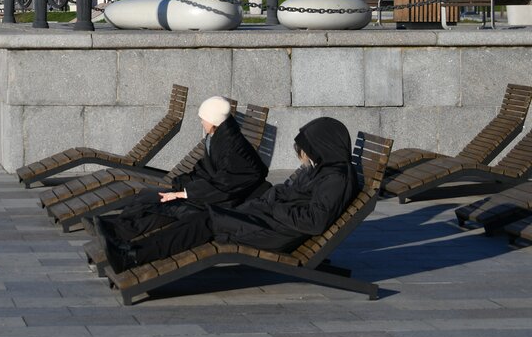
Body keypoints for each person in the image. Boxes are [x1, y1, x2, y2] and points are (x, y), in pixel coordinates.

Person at [97, 117, 360, 275]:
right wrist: (270, 201)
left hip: (274, 232)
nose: (302, 154)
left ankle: (132, 255)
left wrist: (273, 207)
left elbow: (314, 221)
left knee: (206, 220)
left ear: (324, 146)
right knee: (200, 215)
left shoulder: (335, 178)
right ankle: (132, 246)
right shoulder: (324, 170)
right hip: (266, 220)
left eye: (307, 148)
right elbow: (289, 195)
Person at [94, 97, 267, 240]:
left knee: (164, 205)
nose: (201, 122)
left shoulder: (231, 148)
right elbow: (207, 170)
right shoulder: (218, 137)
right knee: (149, 196)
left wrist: (184, 193)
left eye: (203, 118)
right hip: (211, 192)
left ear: (213, 120)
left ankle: (117, 230)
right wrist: (182, 183)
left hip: (224, 202)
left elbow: (224, 186)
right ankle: (115, 226)